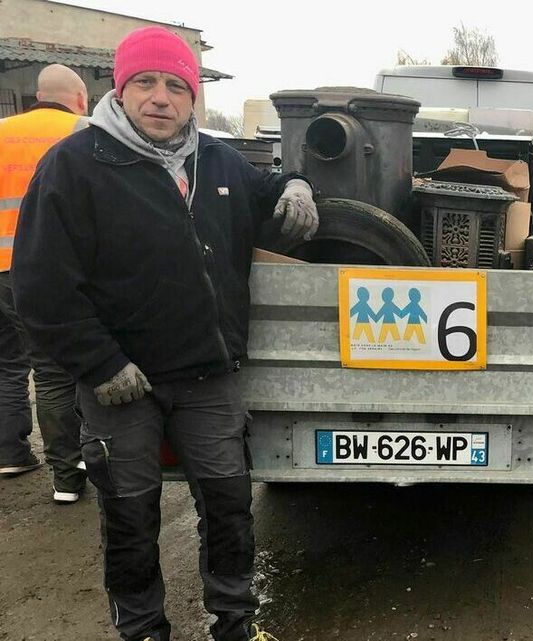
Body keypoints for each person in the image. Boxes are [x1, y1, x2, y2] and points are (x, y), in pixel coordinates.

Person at [12, 26, 318, 641]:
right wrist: (100, 364)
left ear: (193, 96)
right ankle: (144, 628)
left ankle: (233, 621)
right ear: (120, 91)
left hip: (210, 376)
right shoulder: (75, 166)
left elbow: (267, 193)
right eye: (144, 83)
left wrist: (296, 185)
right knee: (130, 515)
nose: (160, 98)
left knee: (229, 506)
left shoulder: (220, 160)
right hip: (122, 384)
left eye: (177, 86)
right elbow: (40, 286)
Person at [0, 64, 89, 505]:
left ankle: (11, 453)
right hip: (42, 269)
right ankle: (68, 476)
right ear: (80, 98)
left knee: (7, 364)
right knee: (54, 372)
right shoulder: (82, 131)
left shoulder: (1, 130)